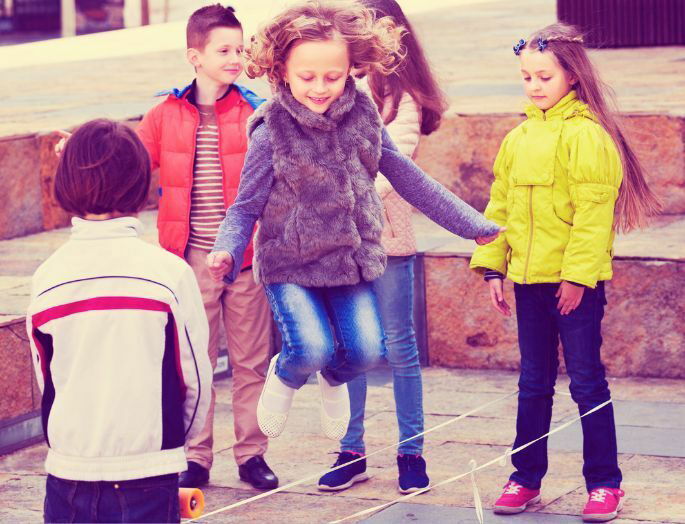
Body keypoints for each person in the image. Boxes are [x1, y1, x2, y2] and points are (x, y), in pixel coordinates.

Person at [207, 0, 502, 447]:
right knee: (310, 348)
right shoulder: (272, 130)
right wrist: (227, 250)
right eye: (307, 77)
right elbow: (244, 206)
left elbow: (409, 178)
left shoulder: (363, 117)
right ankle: (285, 374)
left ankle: (334, 379)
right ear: (282, 71)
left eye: (334, 76)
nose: (321, 88)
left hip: (349, 260)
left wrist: (471, 224)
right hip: (291, 265)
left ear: (352, 70)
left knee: (366, 351)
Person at [470, 23, 660, 523]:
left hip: (575, 286)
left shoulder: (588, 137)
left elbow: (594, 215)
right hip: (529, 283)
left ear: (572, 76)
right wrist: (493, 266)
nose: (534, 85)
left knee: (587, 382)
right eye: (526, 76)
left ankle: (604, 484)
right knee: (533, 382)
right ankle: (524, 476)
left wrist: (577, 278)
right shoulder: (518, 137)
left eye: (544, 75)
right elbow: (501, 204)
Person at [27, 119, 212, 523]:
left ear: (66, 184)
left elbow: (49, 379)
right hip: (148, 470)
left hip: (69, 472)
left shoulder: (47, 277)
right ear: (140, 183)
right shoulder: (169, 274)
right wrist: (171, 444)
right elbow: (195, 380)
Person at [136, 4, 277, 490]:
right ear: (194, 56)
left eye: (241, 48)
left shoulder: (258, 112)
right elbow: (134, 164)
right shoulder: (163, 115)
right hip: (190, 260)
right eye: (224, 50)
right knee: (194, 364)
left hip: (247, 258)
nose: (236, 58)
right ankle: (195, 457)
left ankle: (252, 454)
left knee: (251, 361)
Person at [317, 0, 448, 495]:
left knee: (399, 346)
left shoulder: (402, 97)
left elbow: (393, 167)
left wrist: (333, 187)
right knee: (350, 345)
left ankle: (411, 451)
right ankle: (350, 450)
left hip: (388, 237)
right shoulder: (329, 83)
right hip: (338, 241)